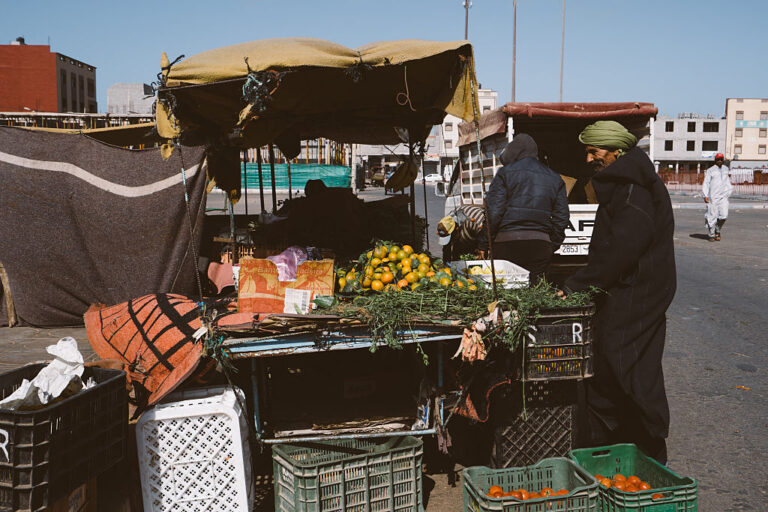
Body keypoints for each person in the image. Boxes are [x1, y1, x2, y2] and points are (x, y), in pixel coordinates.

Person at [561, 120, 676, 464]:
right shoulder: (625, 185)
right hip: (627, 290)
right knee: (612, 363)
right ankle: (617, 441)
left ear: (615, 152)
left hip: (637, 293)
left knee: (629, 365)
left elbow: (621, 250)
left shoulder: (634, 190)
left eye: (594, 152)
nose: (588, 159)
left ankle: (650, 447)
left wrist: (577, 284)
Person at [477, 134, 569, 286]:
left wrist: (483, 244)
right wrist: (551, 244)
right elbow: (562, 218)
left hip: (506, 245)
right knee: (534, 296)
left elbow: (493, 213)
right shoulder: (555, 178)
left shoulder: (504, 174)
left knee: (507, 295)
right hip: (540, 246)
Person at [702, 153, 733, 241]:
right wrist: (705, 195)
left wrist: (729, 191)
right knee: (712, 215)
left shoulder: (726, 169)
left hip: (723, 197)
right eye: (718, 159)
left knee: (724, 215)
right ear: (715, 160)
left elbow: (727, 182)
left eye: (721, 159)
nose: (720, 161)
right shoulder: (710, 170)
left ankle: (717, 229)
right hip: (713, 196)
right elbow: (706, 183)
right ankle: (711, 234)